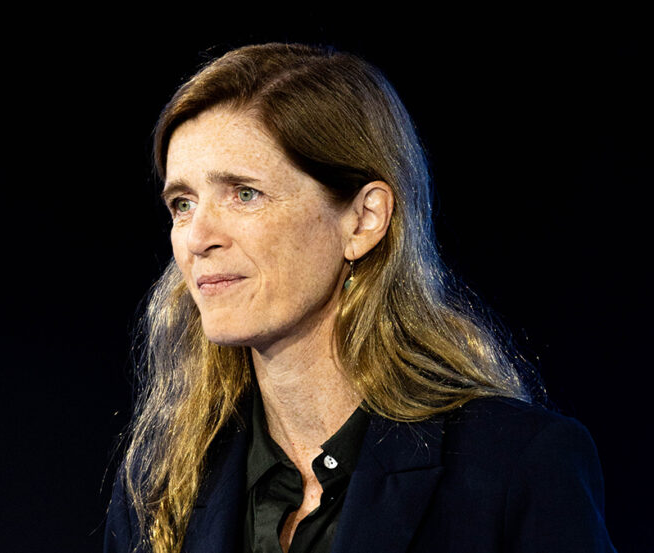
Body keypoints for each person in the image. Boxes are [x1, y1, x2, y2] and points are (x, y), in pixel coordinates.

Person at [103, 43, 616, 553]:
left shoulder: (514, 468)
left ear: (364, 219)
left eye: (244, 193)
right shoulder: (158, 493)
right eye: (183, 203)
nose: (197, 239)